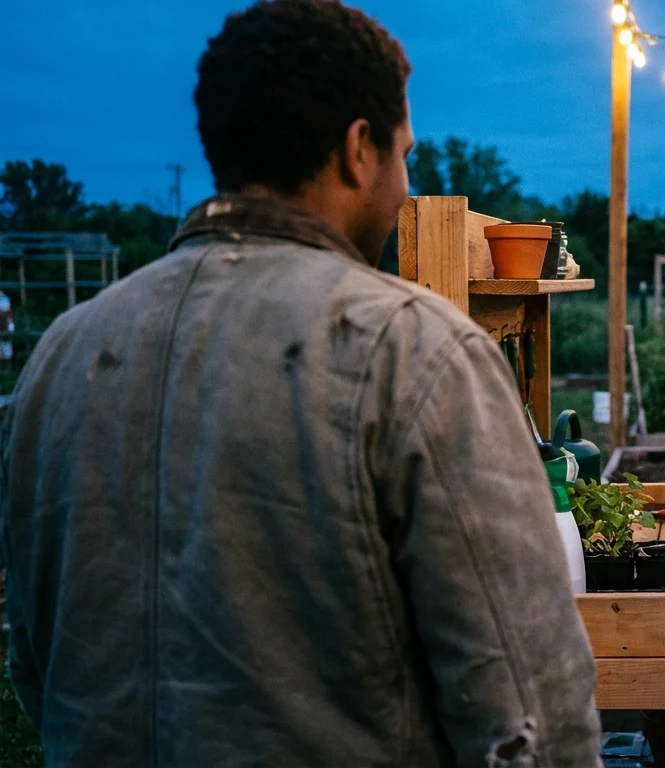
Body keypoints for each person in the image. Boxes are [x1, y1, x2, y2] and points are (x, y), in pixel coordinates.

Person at [0, 2, 600, 764]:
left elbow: (35, 666)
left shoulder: (58, 357)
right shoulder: (415, 351)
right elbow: (529, 713)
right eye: (404, 153)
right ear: (359, 149)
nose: (403, 180)